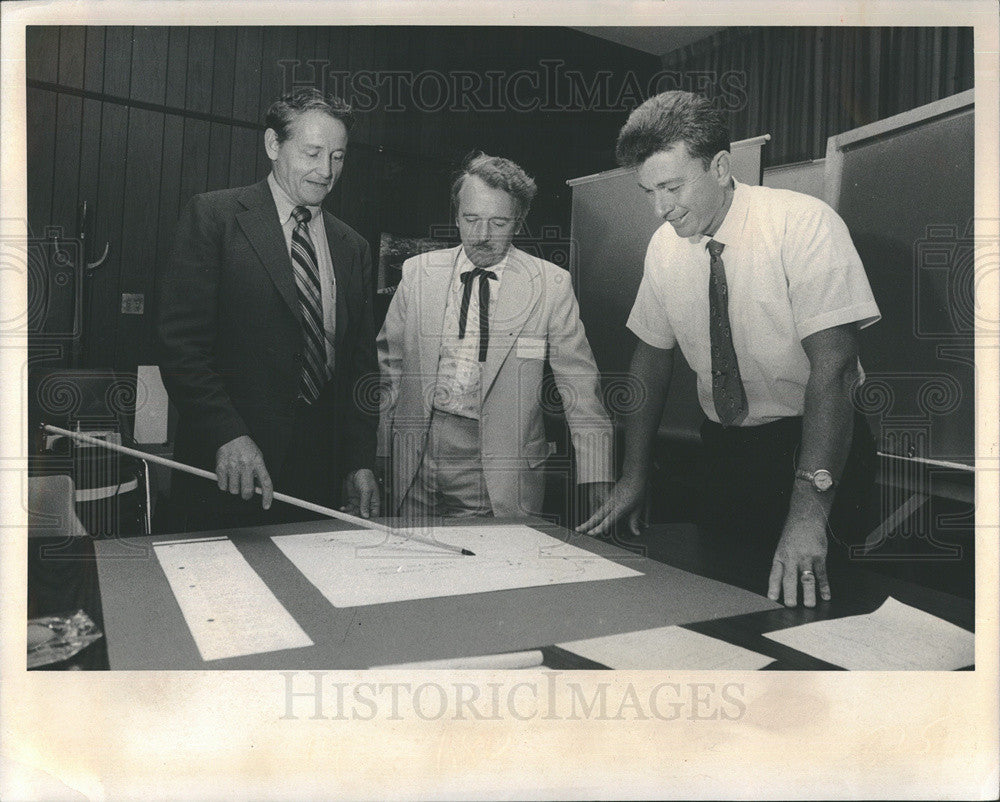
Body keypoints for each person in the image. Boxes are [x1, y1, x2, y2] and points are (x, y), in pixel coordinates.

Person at [578, 91, 881, 608]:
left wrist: (809, 513)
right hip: (726, 452)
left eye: (672, 186)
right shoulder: (664, 246)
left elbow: (833, 371)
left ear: (719, 166)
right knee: (722, 605)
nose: (660, 208)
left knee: (818, 612)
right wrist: (633, 472)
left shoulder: (802, 224)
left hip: (814, 447)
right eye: (648, 190)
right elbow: (651, 359)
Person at [157, 88, 379, 532]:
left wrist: (358, 462)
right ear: (273, 145)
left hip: (316, 474)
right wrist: (227, 433)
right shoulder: (214, 217)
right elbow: (180, 346)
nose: (326, 171)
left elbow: (359, 367)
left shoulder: (352, 247)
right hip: (230, 467)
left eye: (338, 156)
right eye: (313, 152)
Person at [377, 153, 614, 520]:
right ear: (456, 216)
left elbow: (580, 386)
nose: (482, 236)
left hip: (498, 468)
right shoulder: (418, 273)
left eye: (498, 222)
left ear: (519, 223)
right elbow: (388, 370)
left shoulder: (550, 286)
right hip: (416, 458)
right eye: (471, 219)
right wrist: (378, 453)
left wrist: (596, 475)